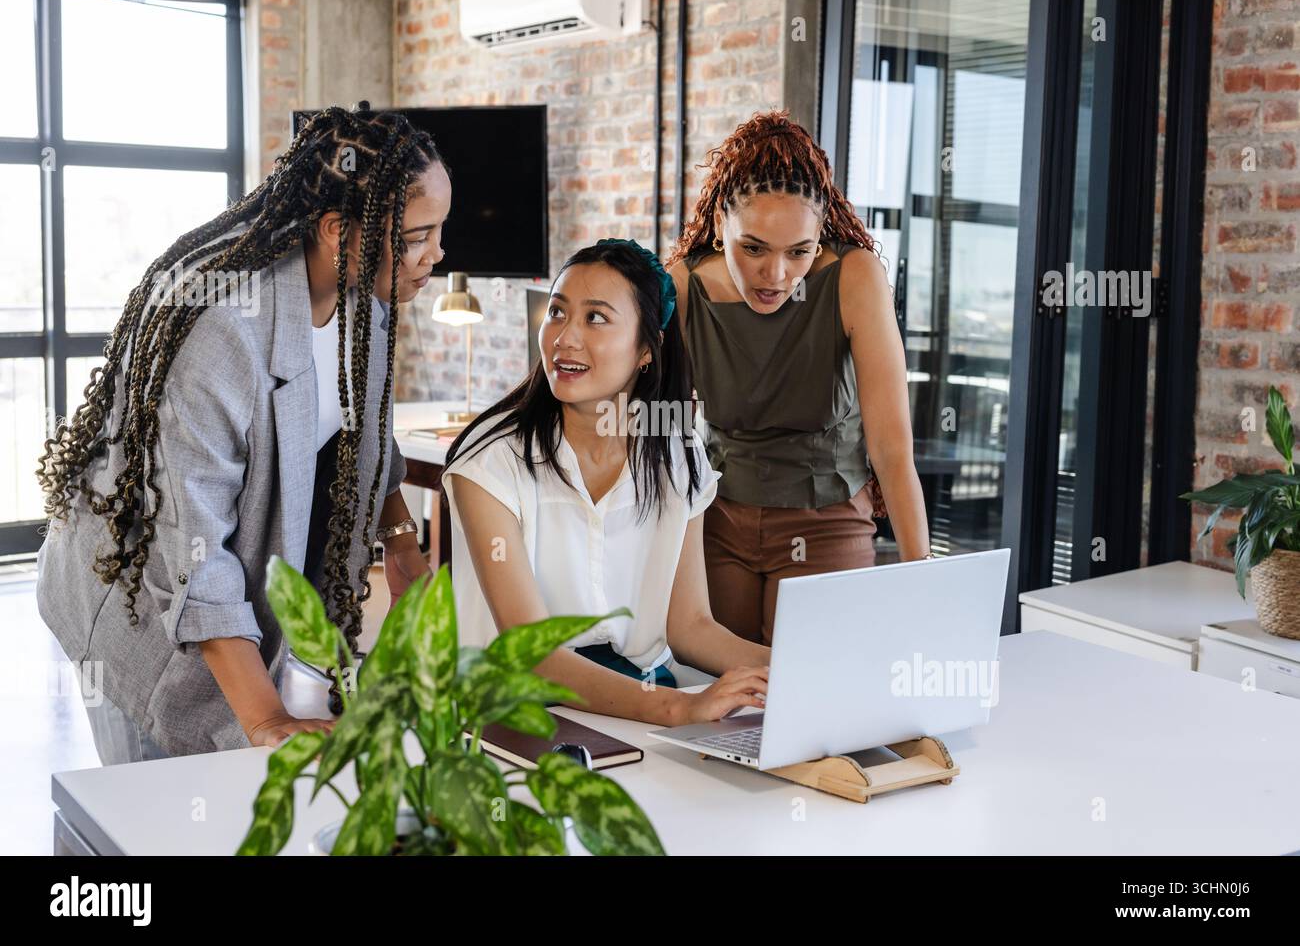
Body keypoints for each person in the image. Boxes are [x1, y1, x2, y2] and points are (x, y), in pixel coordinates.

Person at [35, 104, 450, 761]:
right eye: (420, 236)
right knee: (165, 812)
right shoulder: (223, 330)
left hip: (220, 584)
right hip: (134, 605)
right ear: (342, 231)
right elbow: (195, 555)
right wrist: (265, 718)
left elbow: (362, 427)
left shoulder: (364, 294)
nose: (437, 256)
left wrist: (401, 544)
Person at [443, 239, 770, 725]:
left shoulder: (678, 455)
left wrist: (794, 669)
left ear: (645, 350)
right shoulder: (492, 461)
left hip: (639, 699)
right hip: (513, 713)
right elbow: (531, 653)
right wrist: (679, 707)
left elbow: (691, 626)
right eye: (557, 312)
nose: (564, 338)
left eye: (595, 318)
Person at [664, 110, 933, 646]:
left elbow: (891, 449)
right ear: (721, 225)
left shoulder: (854, 278)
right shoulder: (682, 286)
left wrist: (924, 584)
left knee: (819, 695)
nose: (777, 275)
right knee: (723, 700)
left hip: (827, 518)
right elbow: (656, 429)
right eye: (754, 248)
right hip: (718, 515)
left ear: (819, 239)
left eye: (799, 253)